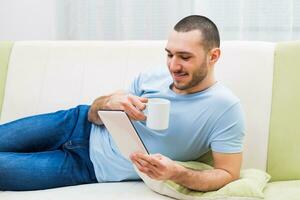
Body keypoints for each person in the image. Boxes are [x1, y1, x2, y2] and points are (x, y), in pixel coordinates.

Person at [0, 15, 245, 191]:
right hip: (75, 122)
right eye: (169, 54)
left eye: (185, 57)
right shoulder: (152, 76)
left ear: (213, 56)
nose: (173, 66)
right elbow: (95, 112)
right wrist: (109, 101)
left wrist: (176, 173)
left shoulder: (225, 108)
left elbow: (228, 173)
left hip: (88, 167)